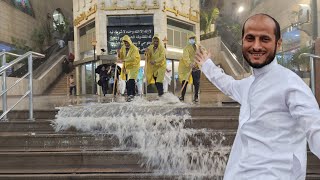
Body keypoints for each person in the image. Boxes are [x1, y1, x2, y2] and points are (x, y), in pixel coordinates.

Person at [194, 13, 320, 180]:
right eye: (250, 38)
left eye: (265, 39)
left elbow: (314, 128)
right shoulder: (248, 84)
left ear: (278, 43)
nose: (256, 46)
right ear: (243, 41)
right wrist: (207, 65)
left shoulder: (291, 85)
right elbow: (228, 84)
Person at [178, 32, 202, 102]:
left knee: (196, 82)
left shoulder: (198, 47)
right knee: (184, 81)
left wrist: (198, 61)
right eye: (190, 38)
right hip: (187, 67)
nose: (192, 40)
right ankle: (182, 96)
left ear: (195, 39)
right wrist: (190, 63)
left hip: (197, 66)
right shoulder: (186, 48)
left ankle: (196, 97)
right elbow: (185, 57)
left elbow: (203, 53)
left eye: (193, 38)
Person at [117, 35, 141, 102]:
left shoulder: (135, 48)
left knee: (131, 80)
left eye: (127, 42)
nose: (126, 44)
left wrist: (124, 60)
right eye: (124, 42)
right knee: (127, 81)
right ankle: (129, 94)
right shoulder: (123, 48)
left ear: (129, 41)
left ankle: (132, 94)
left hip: (134, 66)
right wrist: (119, 54)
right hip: (127, 67)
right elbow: (121, 57)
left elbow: (133, 58)